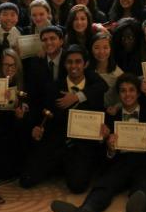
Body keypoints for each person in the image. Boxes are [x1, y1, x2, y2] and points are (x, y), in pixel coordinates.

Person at [50, 73, 146, 212]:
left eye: (131, 90)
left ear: (138, 93)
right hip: (120, 161)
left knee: (143, 189)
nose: (127, 94)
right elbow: (106, 153)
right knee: (104, 185)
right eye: (123, 91)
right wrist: (110, 148)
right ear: (118, 94)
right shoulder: (111, 116)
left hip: (142, 162)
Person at [20, 44, 107, 193]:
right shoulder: (54, 87)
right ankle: (60, 165)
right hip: (57, 140)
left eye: (78, 61)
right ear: (64, 64)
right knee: (26, 180)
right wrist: (37, 128)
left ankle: (67, 166)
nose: (74, 66)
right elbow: (44, 113)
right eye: (69, 62)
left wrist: (103, 130)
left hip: (81, 144)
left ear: (85, 64)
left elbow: (100, 114)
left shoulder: (95, 88)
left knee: (77, 186)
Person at [0, 49, 32, 178]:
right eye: (6, 65)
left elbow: (27, 105)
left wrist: (22, 109)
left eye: (13, 65)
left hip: (15, 122)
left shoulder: (22, 82)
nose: (10, 68)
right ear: (0, 66)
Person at [90, 32, 124, 107]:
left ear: (111, 49)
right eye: (96, 48)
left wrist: (116, 108)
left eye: (105, 47)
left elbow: (124, 98)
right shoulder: (86, 69)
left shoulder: (118, 73)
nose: (101, 52)